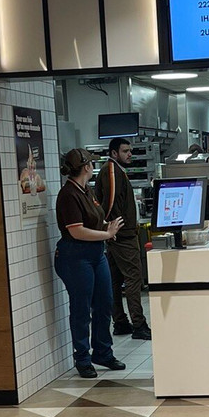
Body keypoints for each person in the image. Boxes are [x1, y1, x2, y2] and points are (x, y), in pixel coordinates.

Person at [54, 148, 127, 379]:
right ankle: (83, 358)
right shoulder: (68, 195)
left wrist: (106, 228)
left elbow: (93, 221)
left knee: (105, 303)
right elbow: (77, 231)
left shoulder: (86, 190)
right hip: (75, 256)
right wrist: (107, 234)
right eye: (91, 163)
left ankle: (103, 352)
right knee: (81, 309)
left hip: (95, 254)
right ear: (86, 167)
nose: (93, 166)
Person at [94, 138, 151, 340]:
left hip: (117, 235)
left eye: (130, 151)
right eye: (125, 151)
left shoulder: (115, 170)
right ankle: (138, 324)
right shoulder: (112, 171)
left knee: (116, 280)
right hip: (123, 236)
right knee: (133, 278)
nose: (130, 154)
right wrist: (111, 226)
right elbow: (109, 203)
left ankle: (120, 322)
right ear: (114, 153)